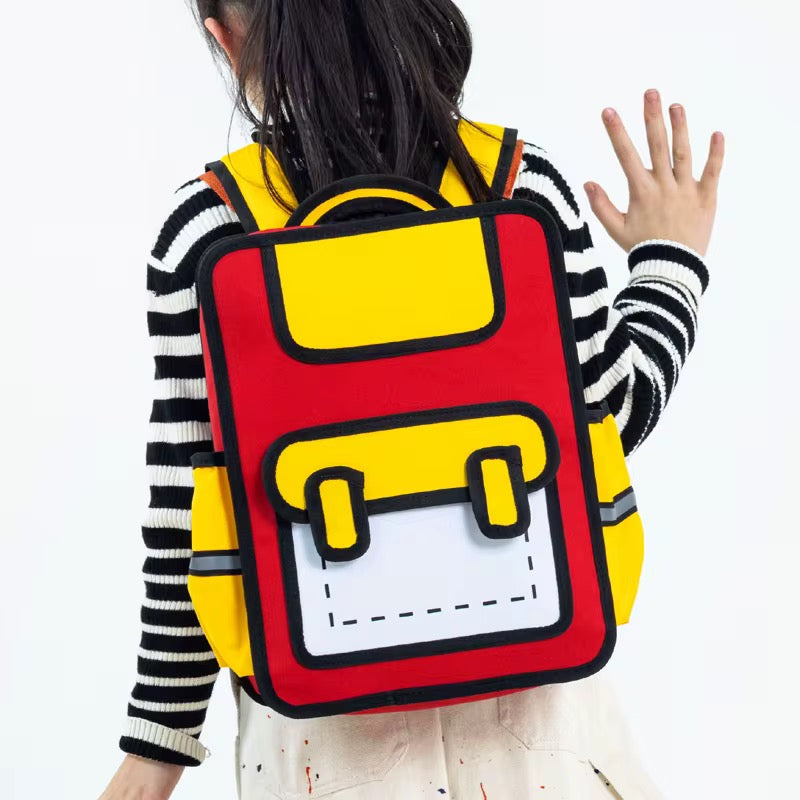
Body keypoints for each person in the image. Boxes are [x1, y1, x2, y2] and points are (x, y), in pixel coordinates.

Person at [99, 1, 724, 798]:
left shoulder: (208, 229)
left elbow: (189, 517)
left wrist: (158, 747)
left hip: (321, 747)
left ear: (225, 40)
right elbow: (613, 414)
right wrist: (671, 260)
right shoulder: (518, 186)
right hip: (542, 729)